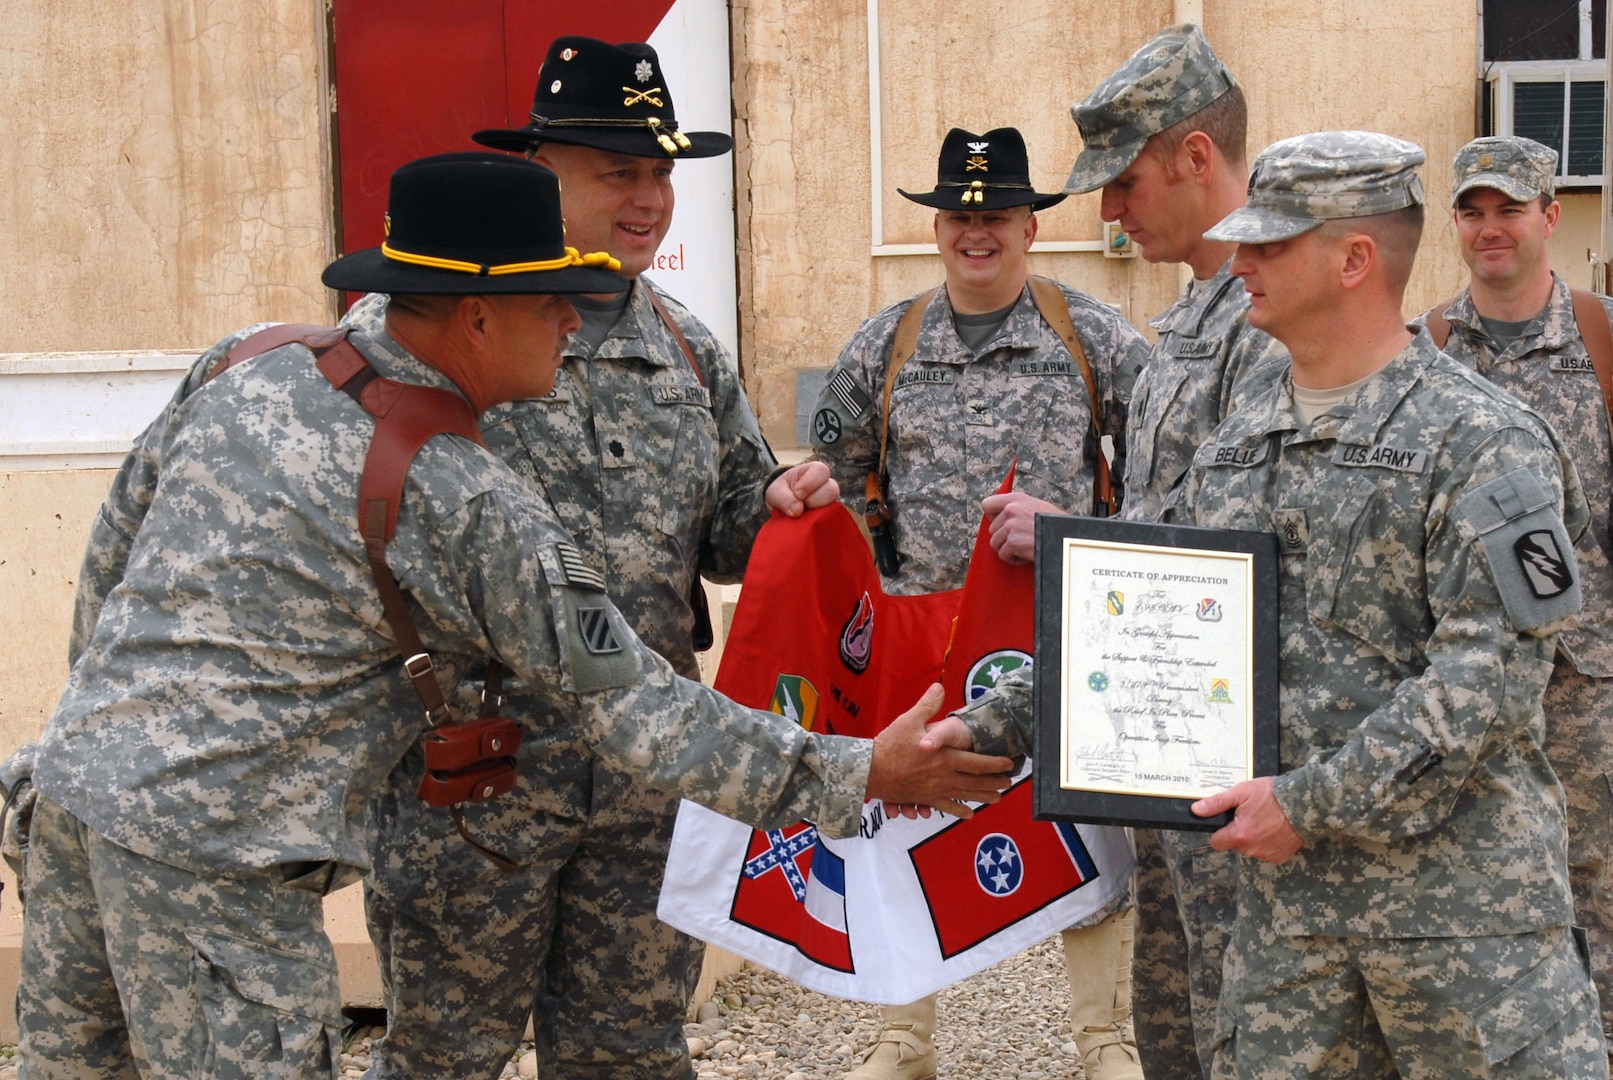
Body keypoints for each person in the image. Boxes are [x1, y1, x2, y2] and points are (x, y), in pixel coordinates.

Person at [15, 152, 1015, 1080]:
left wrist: (94, 744)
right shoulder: (464, 500)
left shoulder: (250, 361)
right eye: (551, 302)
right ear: (476, 319)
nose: (576, 323)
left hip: (68, 808)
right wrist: (859, 773)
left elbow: (115, 557)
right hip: (215, 871)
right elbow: (636, 708)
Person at [952, 129, 1608, 1075]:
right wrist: (991, 728)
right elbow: (1149, 621)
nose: (1242, 263)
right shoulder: (1234, 447)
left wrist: (1309, 801)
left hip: (1464, 936)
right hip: (1287, 942)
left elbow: (1490, 679)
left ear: (1353, 260)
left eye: (1270, 244)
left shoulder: (1485, 441)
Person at [340, 37, 794, 1079]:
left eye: (659, 175)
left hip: (641, 789)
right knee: (444, 1058)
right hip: (474, 792)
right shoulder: (429, 334)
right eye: (616, 173)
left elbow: (730, 527)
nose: (648, 201)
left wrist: (778, 503)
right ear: (543, 171)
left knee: (630, 1054)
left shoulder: (684, 346)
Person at [809, 125, 1151, 1080]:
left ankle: (1103, 1037)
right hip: (922, 628)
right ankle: (901, 1037)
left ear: (1030, 227)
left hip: (1061, 630)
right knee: (906, 824)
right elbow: (836, 478)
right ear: (936, 228)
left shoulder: (1094, 339)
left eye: (996, 214)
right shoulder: (884, 345)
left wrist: (1080, 545)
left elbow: (1163, 476)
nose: (977, 232)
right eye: (960, 215)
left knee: (1086, 823)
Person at [1057, 24, 1283, 1078]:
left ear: (1198, 157)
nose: (1107, 209)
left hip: (1234, 761)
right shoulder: (1194, 313)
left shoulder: (1274, 317)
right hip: (1165, 750)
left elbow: (1231, 542)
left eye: (1124, 178)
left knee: (1239, 1022)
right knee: (1175, 1019)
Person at [1420, 135, 1613, 1057]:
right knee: (1475, 886)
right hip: (1463, 680)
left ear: (1550, 215)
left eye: (1508, 208)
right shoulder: (1425, 348)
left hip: (1583, 679)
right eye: (1472, 210)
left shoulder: (1601, 337)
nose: (1489, 227)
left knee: (1596, 886)